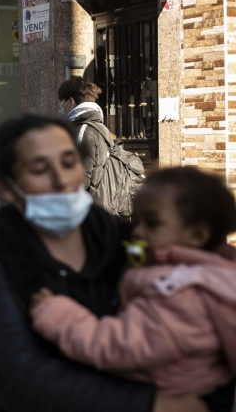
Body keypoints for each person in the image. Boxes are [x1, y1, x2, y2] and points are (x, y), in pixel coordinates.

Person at [0, 114, 235, 412]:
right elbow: (14, 376)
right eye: (39, 169)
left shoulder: (127, 241)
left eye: (69, 162)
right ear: (8, 187)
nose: (61, 180)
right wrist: (148, 403)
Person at [30, 167, 236, 396]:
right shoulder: (187, 277)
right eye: (136, 221)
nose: (136, 232)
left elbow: (117, 347)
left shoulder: (181, 294)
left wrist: (57, 314)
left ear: (196, 236)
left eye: (152, 223)